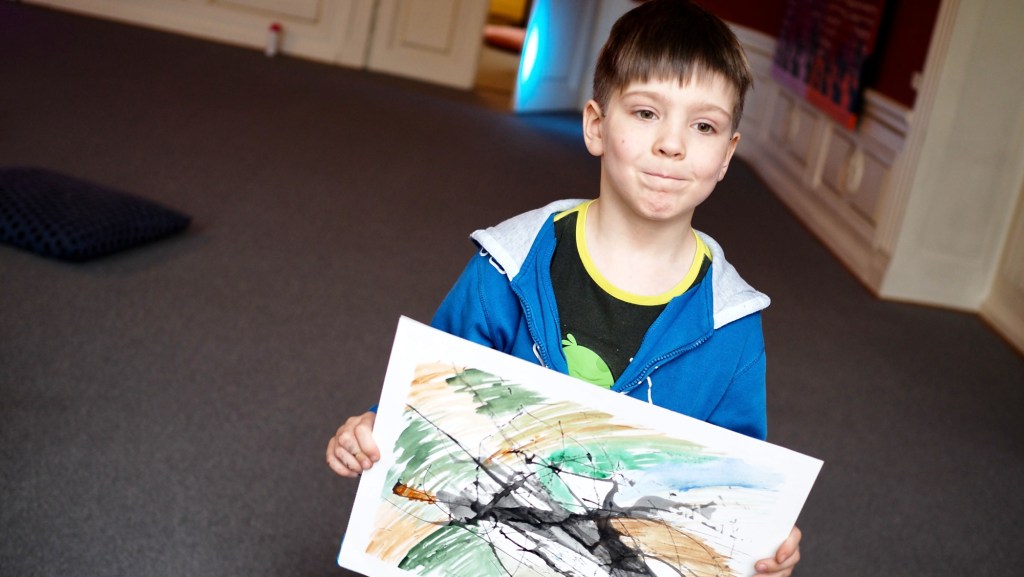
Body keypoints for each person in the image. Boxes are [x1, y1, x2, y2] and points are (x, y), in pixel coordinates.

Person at [327, 1, 803, 575]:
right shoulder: (507, 267)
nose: (672, 144)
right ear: (596, 126)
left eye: (703, 126)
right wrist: (375, 425)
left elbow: (735, 483)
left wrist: (763, 539)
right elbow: (433, 389)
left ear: (727, 154)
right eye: (646, 113)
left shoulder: (733, 327)